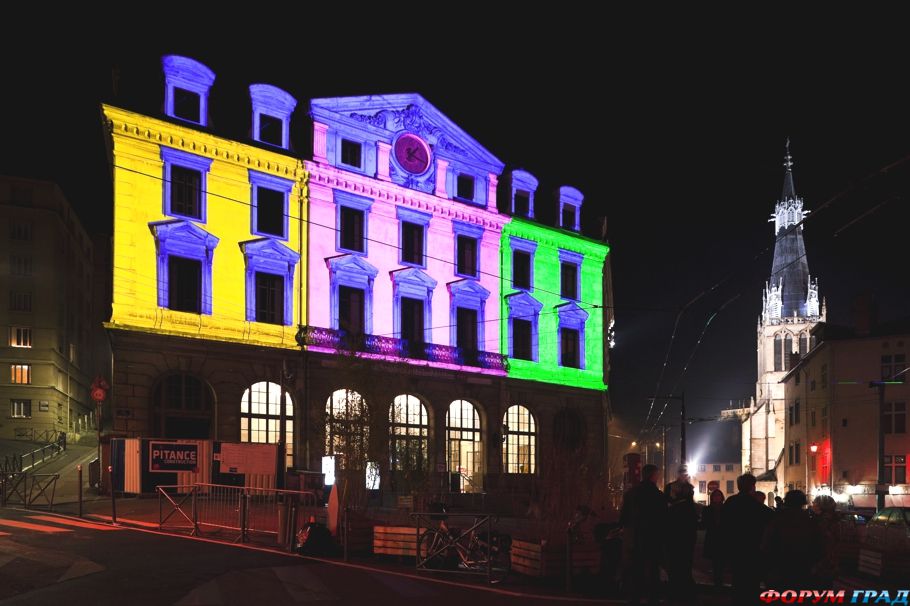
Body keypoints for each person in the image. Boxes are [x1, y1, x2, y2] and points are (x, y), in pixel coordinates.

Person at [721, 473, 774, 606]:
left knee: (738, 580)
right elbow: (770, 518)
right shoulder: (755, 504)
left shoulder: (731, 502)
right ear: (752, 486)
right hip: (753, 548)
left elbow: (724, 525)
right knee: (752, 582)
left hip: (735, 548)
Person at [620, 464, 667, 606]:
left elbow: (623, 517)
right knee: (653, 569)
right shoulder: (658, 496)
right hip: (653, 538)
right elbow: (663, 518)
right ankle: (653, 597)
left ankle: (635, 597)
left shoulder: (631, 493)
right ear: (653, 476)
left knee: (637, 569)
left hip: (636, 537)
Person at [761, 490, 823, 590]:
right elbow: (817, 543)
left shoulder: (777, 519)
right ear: (803, 503)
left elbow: (767, 542)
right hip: (802, 564)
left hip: (780, 564)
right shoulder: (809, 520)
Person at [664, 464, 697, 604]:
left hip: (682, 527)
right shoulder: (676, 487)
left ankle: (680, 585)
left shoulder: (688, 488)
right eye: (682, 472)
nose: (683, 475)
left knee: (682, 558)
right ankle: (680, 586)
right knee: (679, 558)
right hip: (679, 527)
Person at [810, 494, 839, 588]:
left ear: (820, 506)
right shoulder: (835, 519)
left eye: (814, 503)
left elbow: (821, 540)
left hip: (821, 561)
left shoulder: (822, 521)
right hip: (830, 560)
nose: (812, 505)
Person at [700, 489, 725, 588]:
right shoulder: (707, 509)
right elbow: (705, 523)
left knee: (721, 560)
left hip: (723, 537)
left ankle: (719, 581)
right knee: (716, 560)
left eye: (719, 495)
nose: (717, 497)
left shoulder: (725, 508)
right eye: (715, 496)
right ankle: (717, 581)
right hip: (713, 537)